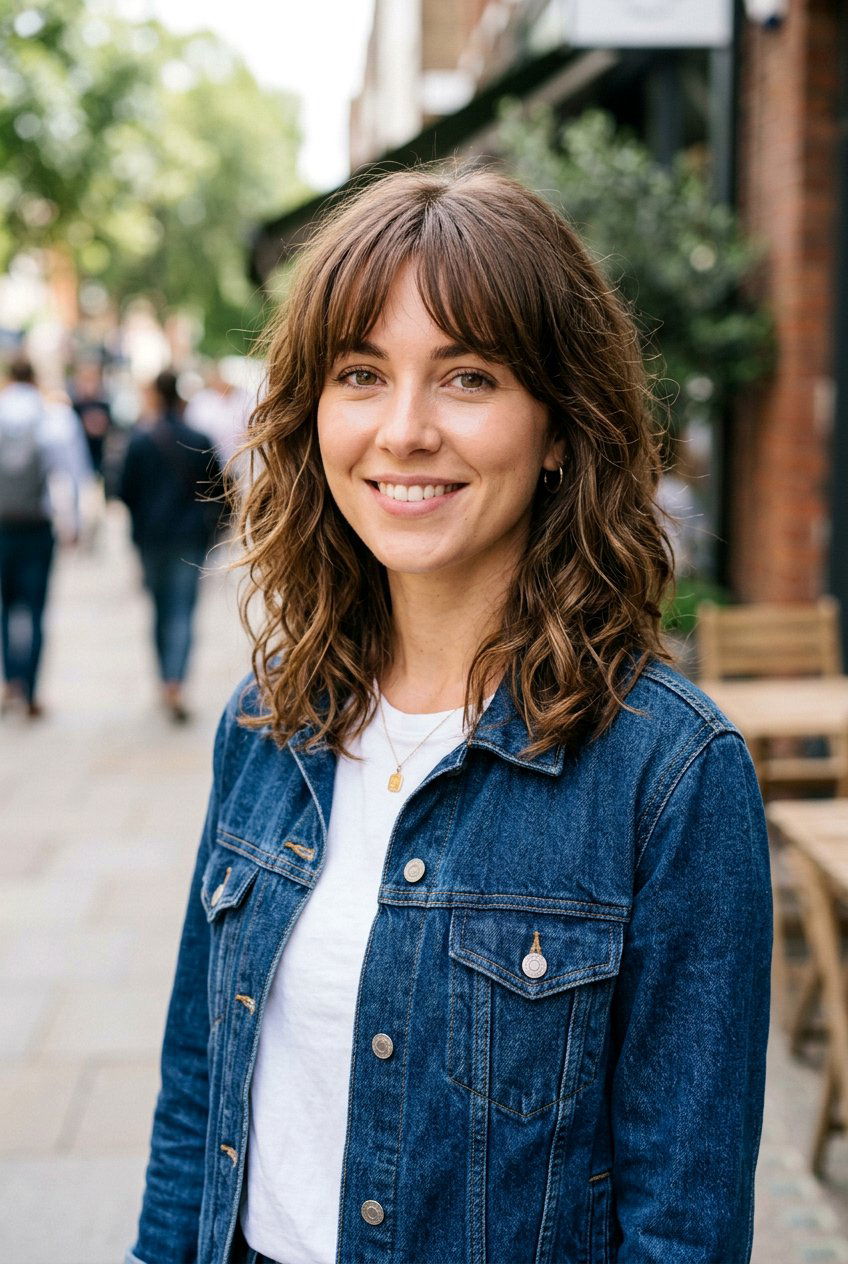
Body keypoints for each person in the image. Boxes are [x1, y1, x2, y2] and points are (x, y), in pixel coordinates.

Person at [128, 169, 771, 1264]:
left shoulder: (665, 772)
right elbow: (195, 1095)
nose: (404, 430)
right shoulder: (266, 721)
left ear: (560, 426)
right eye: (361, 374)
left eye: (467, 376)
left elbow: (681, 1225)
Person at [119, 369, 223, 723]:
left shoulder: (140, 440)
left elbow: (123, 492)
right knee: (181, 612)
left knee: (160, 610)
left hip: (151, 539)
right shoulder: (198, 437)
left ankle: (165, 678)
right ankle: (175, 682)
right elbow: (220, 491)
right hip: (189, 538)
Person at [0, 357, 91, 718]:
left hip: (3, 525)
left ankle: (10, 682)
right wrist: (74, 524)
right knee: (36, 610)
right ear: (35, 377)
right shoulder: (52, 416)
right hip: (37, 527)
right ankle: (33, 691)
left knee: (6, 607)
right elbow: (72, 474)